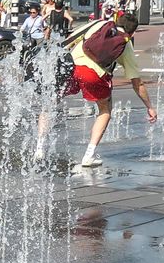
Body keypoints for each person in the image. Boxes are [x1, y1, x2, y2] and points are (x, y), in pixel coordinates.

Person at [56, 13, 156, 167]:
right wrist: (150, 107)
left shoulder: (97, 24)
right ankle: (89, 155)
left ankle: (39, 149)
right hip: (93, 75)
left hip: (71, 68)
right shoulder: (126, 45)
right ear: (133, 32)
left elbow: (68, 41)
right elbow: (137, 82)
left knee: (51, 100)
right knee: (105, 110)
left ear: (115, 21)